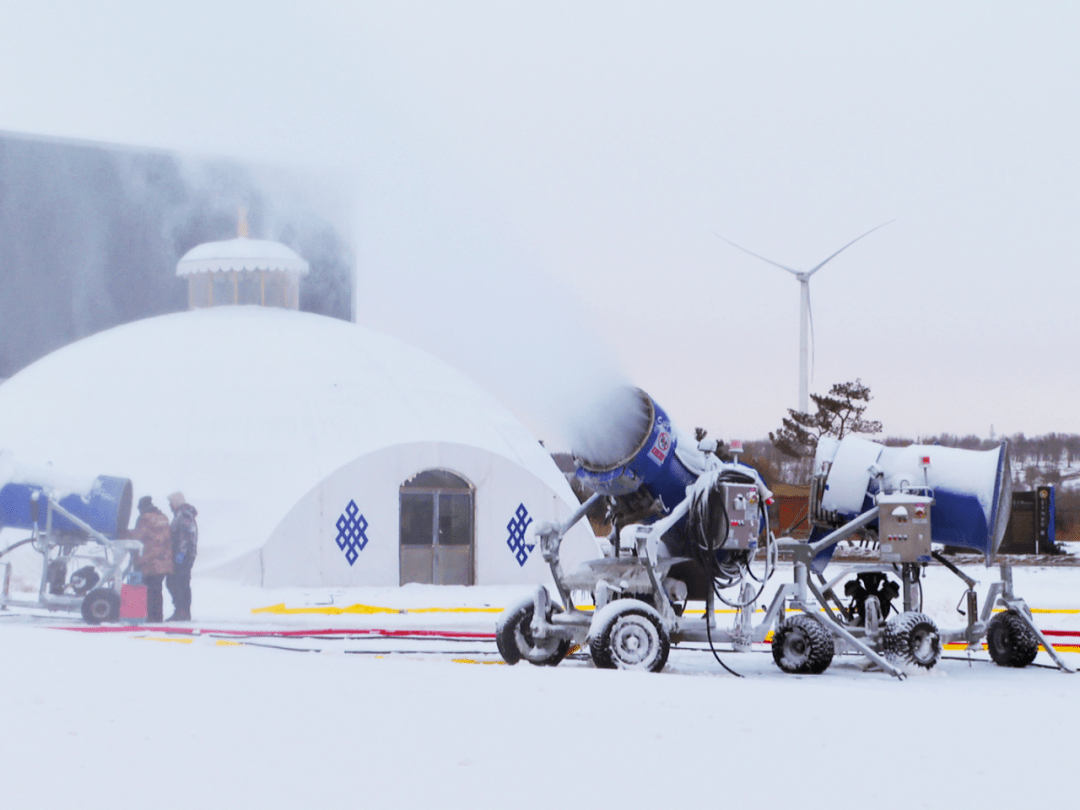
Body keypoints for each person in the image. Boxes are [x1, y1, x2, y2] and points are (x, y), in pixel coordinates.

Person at [132, 495, 173, 623]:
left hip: (149, 559)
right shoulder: (163, 517)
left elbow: (138, 536)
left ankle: (149, 617)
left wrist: (123, 534)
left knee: (147, 589)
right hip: (164, 559)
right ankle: (157, 617)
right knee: (157, 589)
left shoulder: (144, 518)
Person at [166, 492, 198, 622]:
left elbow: (184, 536)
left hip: (183, 556)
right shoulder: (183, 514)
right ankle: (182, 610)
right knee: (179, 583)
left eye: (171, 503)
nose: (170, 506)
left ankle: (181, 611)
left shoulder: (184, 515)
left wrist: (180, 555)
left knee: (178, 583)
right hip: (184, 555)